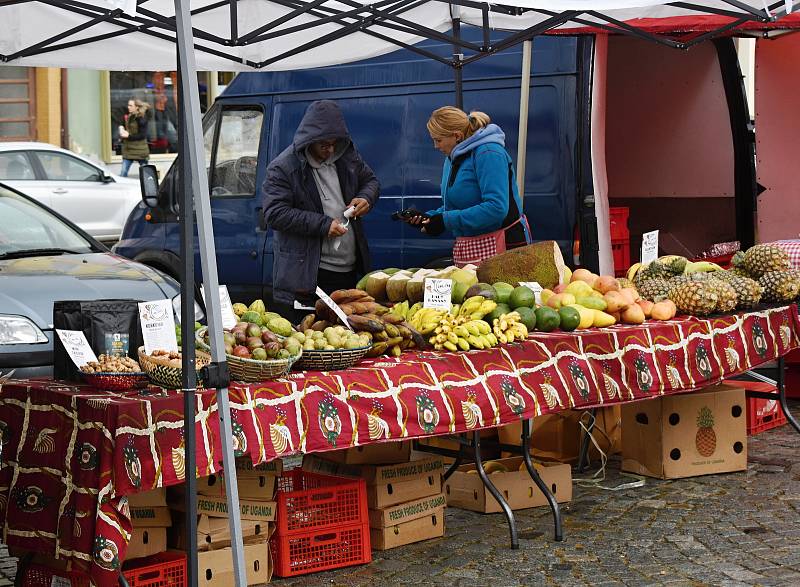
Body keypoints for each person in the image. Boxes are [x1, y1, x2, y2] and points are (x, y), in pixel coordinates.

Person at [262, 100, 380, 320]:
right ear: (310, 141)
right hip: (310, 276)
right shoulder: (283, 168)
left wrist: (365, 198)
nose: (331, 150)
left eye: (335, 144)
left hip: (349, 270)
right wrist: (324, 224)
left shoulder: (347, 156)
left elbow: (370, 181)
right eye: (324, 145)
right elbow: (275, 213)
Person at [402, 106, 531, 266]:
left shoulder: (489, 153)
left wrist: (446, 220)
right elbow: (457, 205)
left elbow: (496, 208)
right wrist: (431, 219)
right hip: (472, 247)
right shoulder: (452, 158)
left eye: (438, 140)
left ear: (457, 136)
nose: (436, 146)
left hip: (504, 246)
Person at [119, 98, 150, 177]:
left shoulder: (141, 118)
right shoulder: (128, 116)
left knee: (145, 175)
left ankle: (147, 188)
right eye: (128, 105)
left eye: (130, 105)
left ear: (136, 107)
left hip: (140, 150)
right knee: (123, 172)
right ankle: (121, 188)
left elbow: (142, 135)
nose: (128, 107)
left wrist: (128, 136)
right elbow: (123, 124)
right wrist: (121, 128)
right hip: (128, 150)